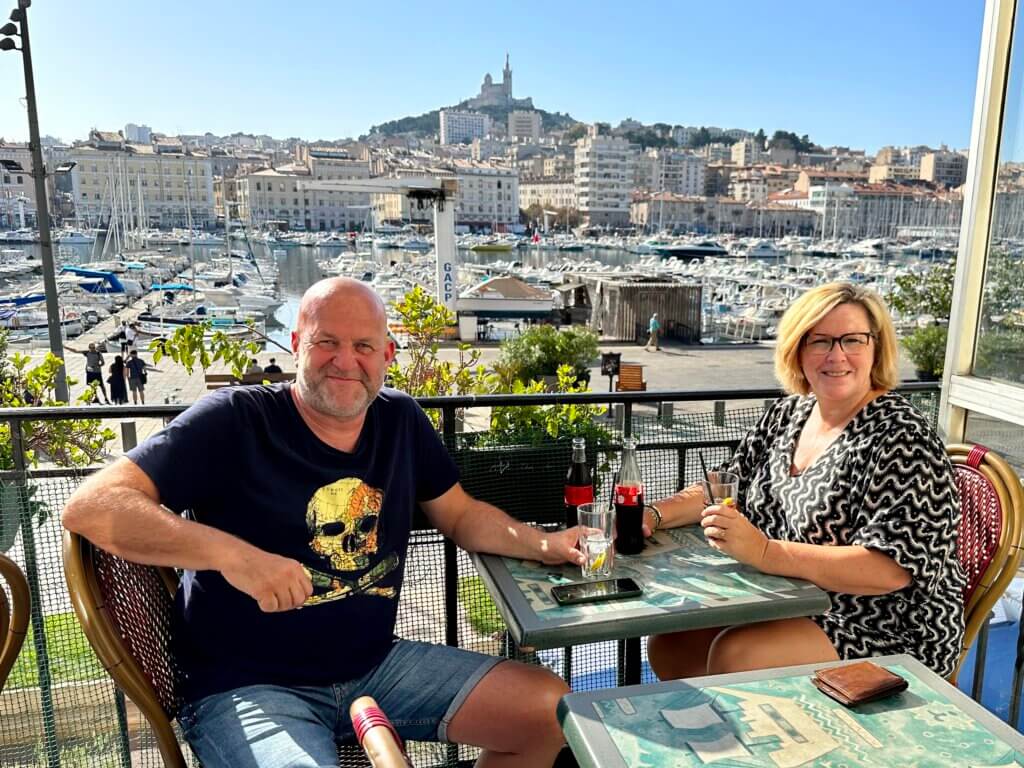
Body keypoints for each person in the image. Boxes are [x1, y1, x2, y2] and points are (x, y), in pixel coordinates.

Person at [62, 277, 583, 768]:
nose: (345, 361)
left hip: (376, 668)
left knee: (552, 711)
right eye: (326, 342)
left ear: (386, 355)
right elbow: (91, 506)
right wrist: (235, 557)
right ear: (296, 344)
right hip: (247, 688)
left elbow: (463, 516)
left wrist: (547, 544)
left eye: (363, 346)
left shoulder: (400, 420)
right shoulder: (235, 419)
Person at [643, 282, 965, 680]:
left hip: (884, 623)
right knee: (670, 642)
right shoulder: (790, 413)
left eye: (852, 340)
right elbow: (723, 486)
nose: (837, 356)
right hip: (788, 599)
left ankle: (751, 737)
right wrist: (652, 515)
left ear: (876, 347)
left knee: (738, 655)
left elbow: (890, 570)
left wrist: (763, 552)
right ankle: (717, 732)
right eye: (820, 341)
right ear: (798, 349)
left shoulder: (903, 439)